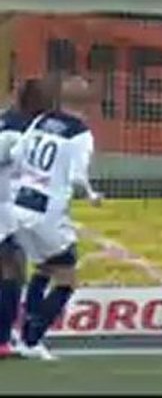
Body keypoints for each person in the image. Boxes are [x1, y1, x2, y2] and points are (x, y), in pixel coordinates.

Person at [12, 75, 102, 361]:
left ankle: (22, 332)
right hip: (48, 211)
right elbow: (77, 176)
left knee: (44, 268)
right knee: (67, 278)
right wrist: (91, 195)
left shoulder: (39, 121)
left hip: (20, 205)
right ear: (88, 103)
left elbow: (16, 153)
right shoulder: (80, 134)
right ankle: (31, 338)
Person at [0, 78, 56, 357]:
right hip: (6, 209)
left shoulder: (11, 124)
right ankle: (4, 336)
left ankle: (6, 334)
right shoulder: (19, 132)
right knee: (13, 269)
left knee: (14, 268)